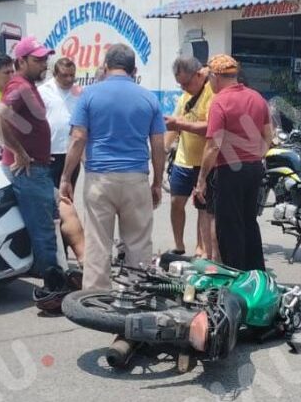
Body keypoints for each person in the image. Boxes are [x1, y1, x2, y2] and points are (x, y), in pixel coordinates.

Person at [60, 44, 166, 291]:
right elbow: (158, 144)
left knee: (98, 243)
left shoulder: (89, 95)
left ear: (105, 67)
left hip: (100, 179)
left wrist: (66, 177)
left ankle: (96, 300)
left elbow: (78, 138)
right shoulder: (149, 98)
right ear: (134, 70)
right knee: (138, 243)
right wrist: (158, 182)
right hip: (136, 179)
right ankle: (136, 296)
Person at [195, 54, 274, 272]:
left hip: (230, 170)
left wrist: (201, 180)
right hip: (254, 168)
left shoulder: (220, 101)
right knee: (249, 221)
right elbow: (268, 135)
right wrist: (256, 155)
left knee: (230, 225)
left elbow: (213, 146)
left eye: (208, 78)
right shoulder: (257, 98)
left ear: (215, 76)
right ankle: (256, 272)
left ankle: (235, 274)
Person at [0, 36, 58, 276]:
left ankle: (44, 274)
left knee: (38, 228)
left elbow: (10, 121)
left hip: (33, 168)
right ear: (22, 61)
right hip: (28, 172)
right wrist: (20, 153)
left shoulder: (25, 86)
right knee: (44, 230)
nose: (44, 64)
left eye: (45, 58)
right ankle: (52, 282)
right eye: (38, 60)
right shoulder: (19, 86)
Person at [163, 56, 215, 258]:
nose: (183, 88)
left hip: (205, 162)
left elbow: (211, 128)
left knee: (202, 207)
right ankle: (179, 245)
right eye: (180, 84)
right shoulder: (185, 97)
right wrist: (163, 150)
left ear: (199, 74)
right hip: (183, 161)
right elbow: (174, 127)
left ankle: (201, 248)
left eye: (186, 83)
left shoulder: (212, 92)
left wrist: (181, 125)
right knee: (176, 202)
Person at [39, 57, 82, 189]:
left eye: (72, 75)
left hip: (72, 153)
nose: (69, 79)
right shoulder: (43, 91)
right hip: (50, 154)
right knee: (50, 197)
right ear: (55, 74)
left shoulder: (79, 92)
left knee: (68, 195)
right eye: (64, 75)